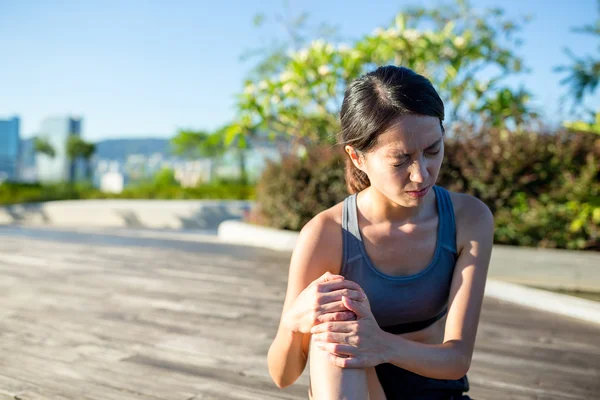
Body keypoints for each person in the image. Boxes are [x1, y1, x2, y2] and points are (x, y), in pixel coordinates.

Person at [267, 65, 494, 399]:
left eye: (433, 150)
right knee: (334, 330)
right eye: (400, 160)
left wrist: (379, 344)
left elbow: (457, 358)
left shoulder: (468, 218)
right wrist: (293, 322)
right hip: (351, 387)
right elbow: (283, 377)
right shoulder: (326, 234)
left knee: (347, 333)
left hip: (435, 391)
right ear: (357, 157)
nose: (421, 174)